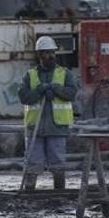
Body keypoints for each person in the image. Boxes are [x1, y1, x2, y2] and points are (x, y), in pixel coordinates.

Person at [17, 36, 78, 191]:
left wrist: (56, 90)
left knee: (58, 163)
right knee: (32, 163)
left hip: (57, 128)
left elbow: (71, 93)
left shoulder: (65, 74)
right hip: (35, 127)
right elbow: (23, 96)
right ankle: (29, 194)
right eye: (46, 53)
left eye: (52, 52)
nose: (50, 56)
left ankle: (59, 193)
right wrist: (38, 92)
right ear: (39, 55)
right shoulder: (29, 75)